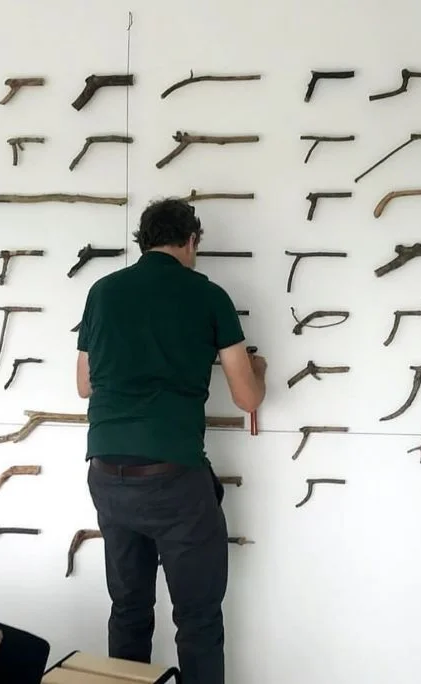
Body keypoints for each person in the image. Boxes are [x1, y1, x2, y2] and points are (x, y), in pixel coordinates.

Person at [75, 198, 267, 684]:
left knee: (128, 609)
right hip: (173, 480)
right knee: (198, 620)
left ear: (143, 241)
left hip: (107, 474)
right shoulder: (208, 296)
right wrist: (259, 371)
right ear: (191, 240)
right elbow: (246, 397)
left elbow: (84, 384)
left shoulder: (102, 292)